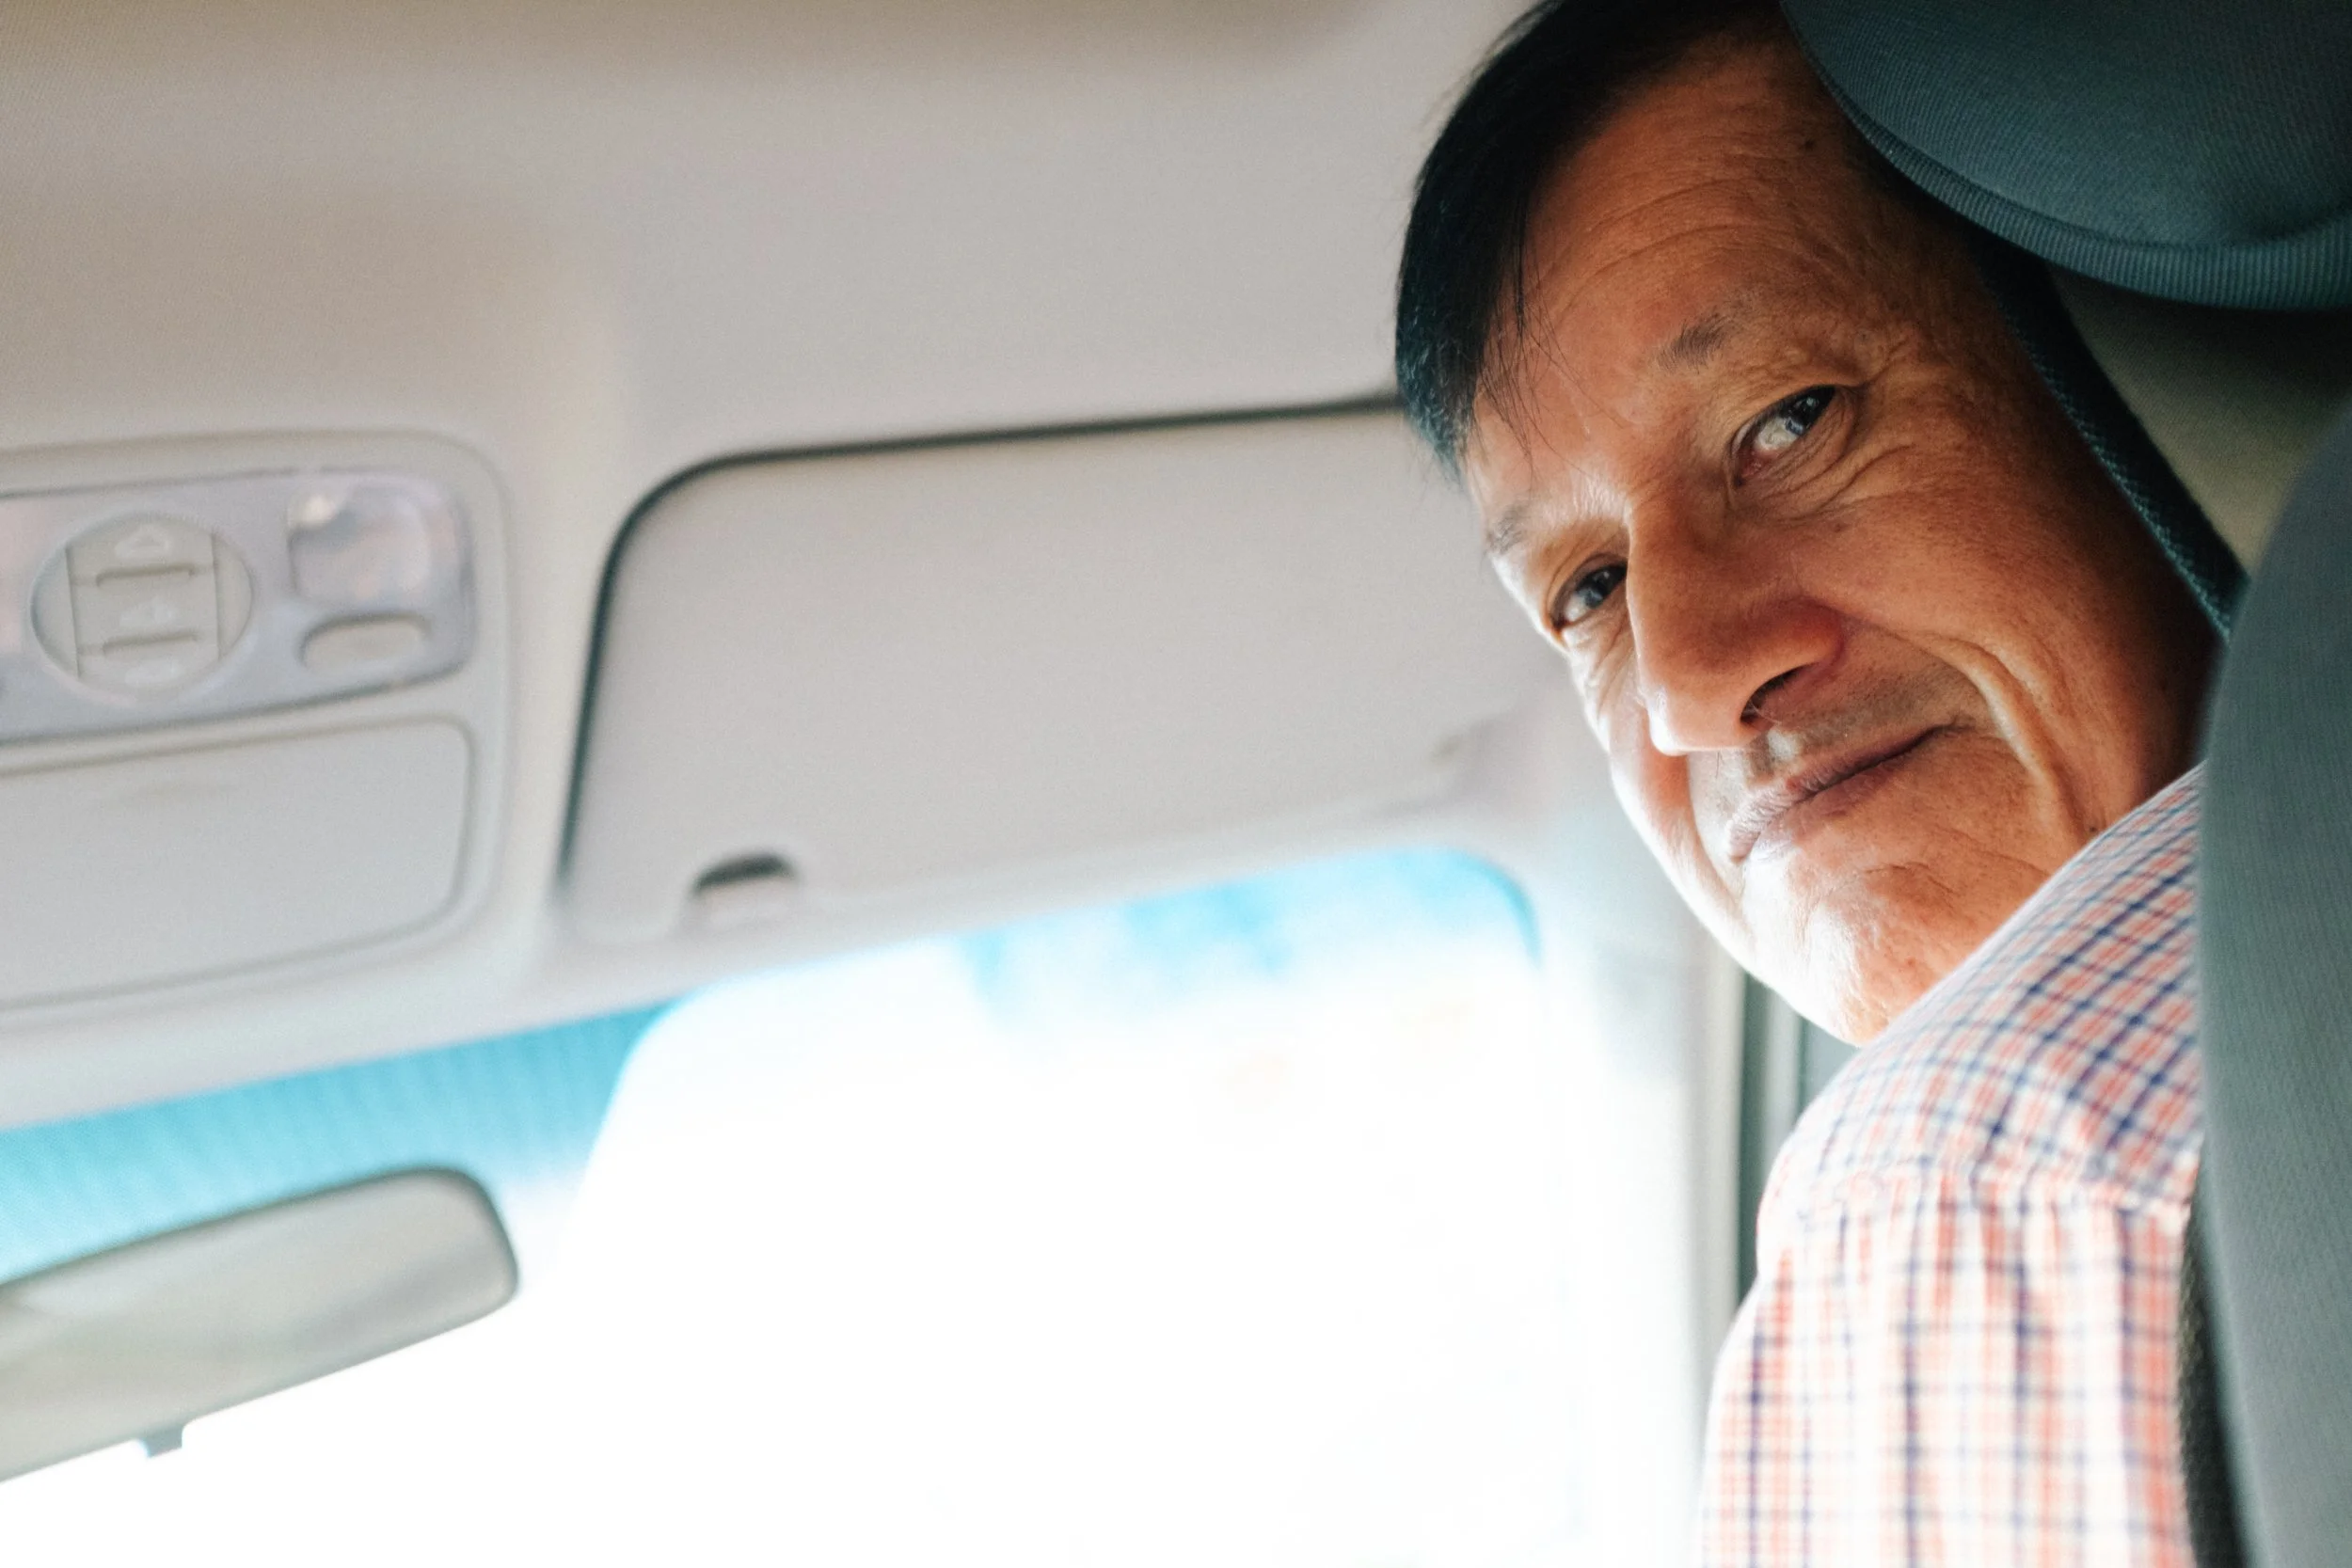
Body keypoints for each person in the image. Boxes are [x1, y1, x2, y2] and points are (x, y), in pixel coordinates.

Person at [1396, 1, 2222, 1561]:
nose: (1694, 678)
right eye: (1588, 592)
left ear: (2121, 367)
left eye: (1789, 424)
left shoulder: (1983, 1180)